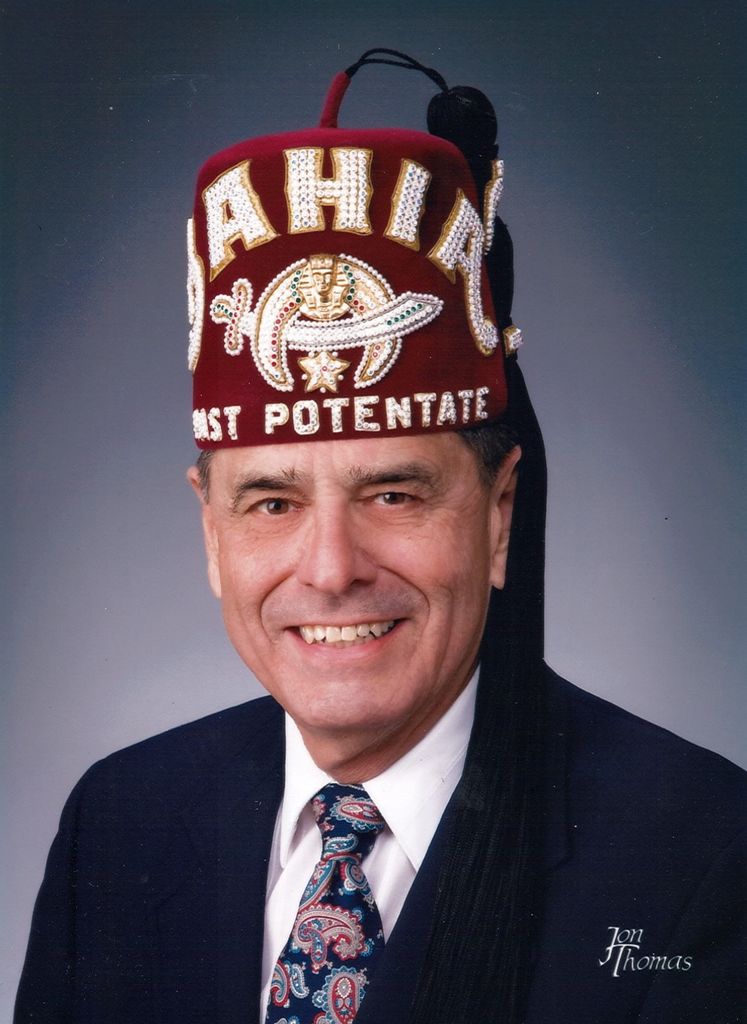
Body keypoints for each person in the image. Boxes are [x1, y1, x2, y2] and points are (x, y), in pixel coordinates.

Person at [15, 49, 745, 1024]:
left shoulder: (702, 854)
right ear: (209, 530)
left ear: (499, 513)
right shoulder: (118, 823)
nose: (331, 569)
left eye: (394, 494)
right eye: (271, 503)